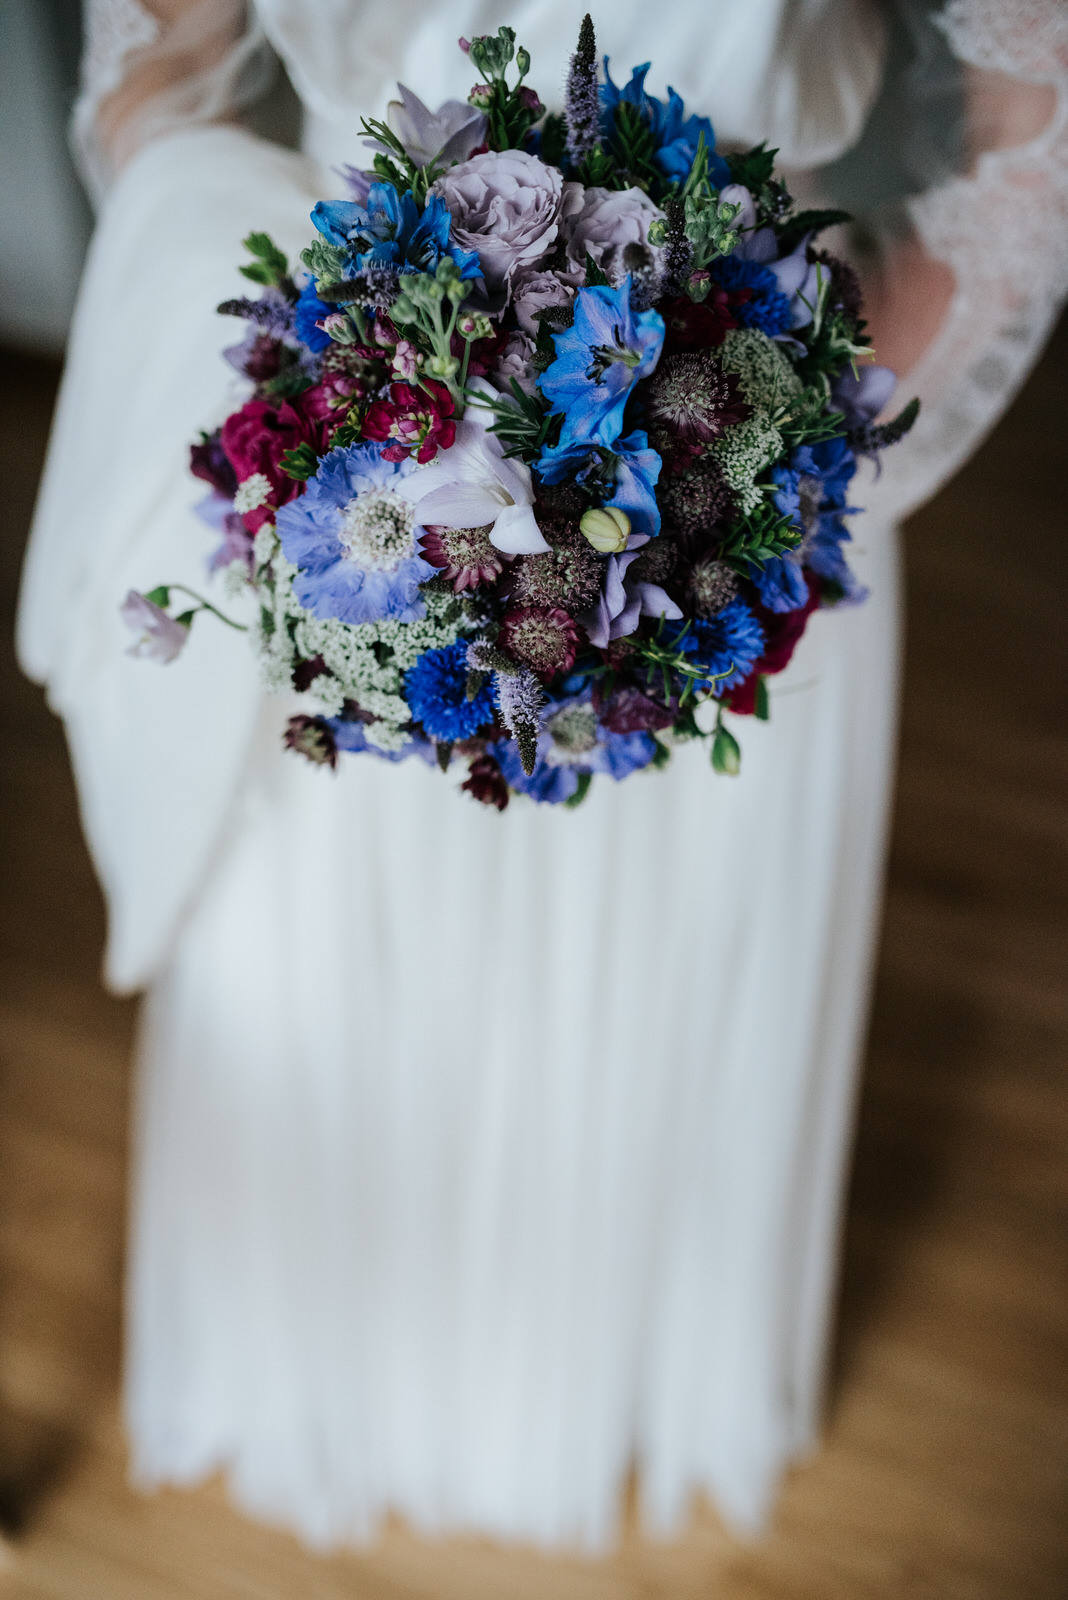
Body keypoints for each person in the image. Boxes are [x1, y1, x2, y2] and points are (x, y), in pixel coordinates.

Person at [17, 0, 1068, 1553]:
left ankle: (609, 1391)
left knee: (665, 1003)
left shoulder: (749, 494)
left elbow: (1030, 142)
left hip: (728, 534)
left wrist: (769, 475)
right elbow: (153, 77)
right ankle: (331, 1377)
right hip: (359, 515)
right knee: (345, 996)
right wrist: (331, 382)